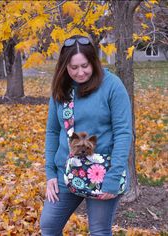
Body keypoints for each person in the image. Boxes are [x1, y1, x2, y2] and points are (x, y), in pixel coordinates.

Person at [40, 35, 133, 236]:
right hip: (66, 171)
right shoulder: (62, 88)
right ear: (64, 66)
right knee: (48, 226)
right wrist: (50, 174)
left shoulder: (112, 86)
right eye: (73, 68)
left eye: (85, 65)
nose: (80, 72)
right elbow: (53, 131)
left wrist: (113, 177)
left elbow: (123, 132)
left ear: (94, 61)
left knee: (99, 230)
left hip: (104, 172)